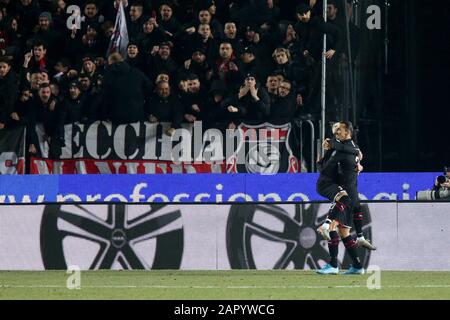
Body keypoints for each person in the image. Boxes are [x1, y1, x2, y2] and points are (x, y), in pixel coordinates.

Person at [315, 121, 368, 275]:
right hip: (347, 194)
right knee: (341, 230)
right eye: (335, 130)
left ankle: (340, 265)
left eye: (339, 130)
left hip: (346, 195)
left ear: (348, 132)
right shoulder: (350, 150)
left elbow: (329, 166)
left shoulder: (344, 149)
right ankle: (350, 265)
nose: (336, 132)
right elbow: (329, 167)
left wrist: (322, 160)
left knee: (337, 229)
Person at [101, 52, 152, 124]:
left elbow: (104, 96)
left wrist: (105, 115)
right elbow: (149, 87)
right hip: (136, 115)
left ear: (110, 62)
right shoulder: (137, 72)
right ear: (122, 60)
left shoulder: (107, 74)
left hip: (115, 116)